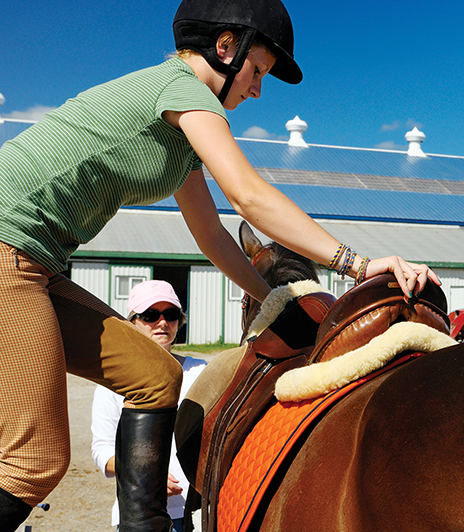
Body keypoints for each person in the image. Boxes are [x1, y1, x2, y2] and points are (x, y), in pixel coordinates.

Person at [0, 0, 438, 529]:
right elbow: (250, 197)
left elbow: (211, 236)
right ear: (225, 48)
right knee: (35, 463)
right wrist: (358, 264)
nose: (256, 90)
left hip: (36, 263)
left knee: (156, 375)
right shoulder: (182, 90)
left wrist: (275, 298)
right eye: (257, 71)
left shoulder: (180, 134)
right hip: (8, 250)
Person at [91, 281, 205, 532]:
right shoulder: (112, 382)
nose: (163, 322)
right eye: (151, 315)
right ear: (132, 322)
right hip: (139, 513)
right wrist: (147, 476)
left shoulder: (200, 371)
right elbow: (102, 450)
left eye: (171, 314)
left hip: (198, 514)